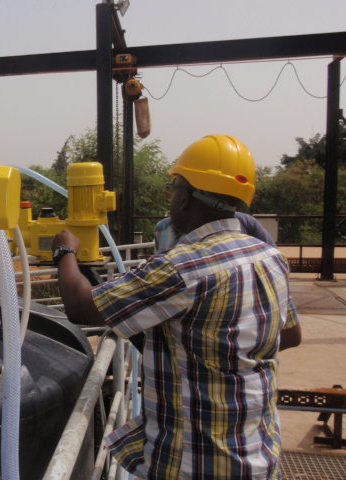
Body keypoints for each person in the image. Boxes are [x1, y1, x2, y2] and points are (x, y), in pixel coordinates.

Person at [51, 135, 301, 480]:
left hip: (195, 464)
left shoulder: (182, 265)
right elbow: (290, 335)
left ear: (185, 197)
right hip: (258, 453)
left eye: (175, 188)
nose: (173, 198)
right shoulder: (269, 256)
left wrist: (65, 251)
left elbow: (80, 306)